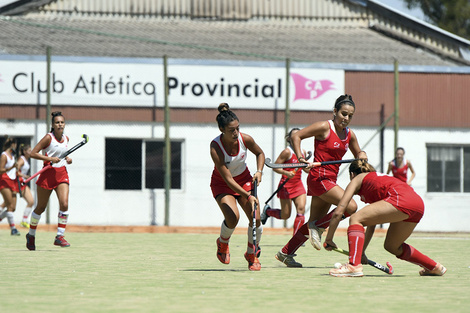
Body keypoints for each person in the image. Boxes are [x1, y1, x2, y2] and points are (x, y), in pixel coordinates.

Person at [275, 94, 367, 268]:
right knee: (351, 206)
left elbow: (359, 154)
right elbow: (297, 137)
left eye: (350, 116)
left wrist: (362, 155)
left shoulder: (350, 135)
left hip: (329, 181)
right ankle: (318, 227)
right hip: (319, 178)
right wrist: (301, 159)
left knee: (312, 221)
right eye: (343, 114)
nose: (346, 118)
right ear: (335, 111)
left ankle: (285, 253)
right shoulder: (325, 127)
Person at [325, 159, 446, 277]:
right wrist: (361, 253)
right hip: (417, 204)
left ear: (352, 174)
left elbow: (338, 212)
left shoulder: (357, 179)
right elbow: (372, 224)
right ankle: (434, 267)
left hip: (402, 200)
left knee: (355, 218)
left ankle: (353, 266)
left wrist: (329, 238)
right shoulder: (376, 180)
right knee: (392, 246)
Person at [210, 103, 265, 271]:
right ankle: (223, 243)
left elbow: (260, 153)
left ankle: (251, 253)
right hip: (223, 184)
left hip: (244, 180)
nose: (236, 133)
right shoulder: (215, 147)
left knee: (255, 218)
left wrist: (259, 171)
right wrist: (248, 196)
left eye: (237, 129)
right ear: (221, 129)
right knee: (233, 218)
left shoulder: (244, 138)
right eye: (231, 130)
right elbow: (227, 179)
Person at [25, 111, 73, 251]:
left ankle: (59, 236)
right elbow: (33, 153)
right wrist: (49, 159)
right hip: (47, 174)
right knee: (40, 207)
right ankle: (31, 235)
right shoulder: (48, 138)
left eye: (62, 122)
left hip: (61, 174)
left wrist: (68, 159)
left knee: (64, 203)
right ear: (52, 124)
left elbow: (64, 155)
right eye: (57, 122)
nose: (60, 125)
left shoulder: (66, 138)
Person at [260, 128, 308, 235]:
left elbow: (305, 169)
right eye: (294, 136)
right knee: (286, 215)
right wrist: (287, 173)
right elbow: (275, 167)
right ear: (289, 139)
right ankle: (268, 211)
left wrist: (310, 167)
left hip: (298, 185)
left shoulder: (303, 152)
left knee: (301, 209)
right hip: (286, 185)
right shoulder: (287, 152)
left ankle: (297, 237)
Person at [0, 137, 21, 236]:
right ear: (11, 144)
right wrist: (11, 167)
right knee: (9, 206)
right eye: (15, 144)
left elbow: (14, 171)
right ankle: (13, 229)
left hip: (13, 182)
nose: (16, 146)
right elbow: (1, 170)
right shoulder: (4, 155)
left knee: (13, 207)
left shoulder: (13, 155)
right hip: (4, 181)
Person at [17, 144, 35, 228]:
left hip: (23, 183)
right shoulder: (22, 160)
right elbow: (15, 170)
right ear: (24, 152)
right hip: (19, 183)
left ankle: (24, 221)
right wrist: (24, 176)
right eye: (29, 151)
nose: (31, 152)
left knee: (31, 201)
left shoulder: (26, 159)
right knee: (8, 204)